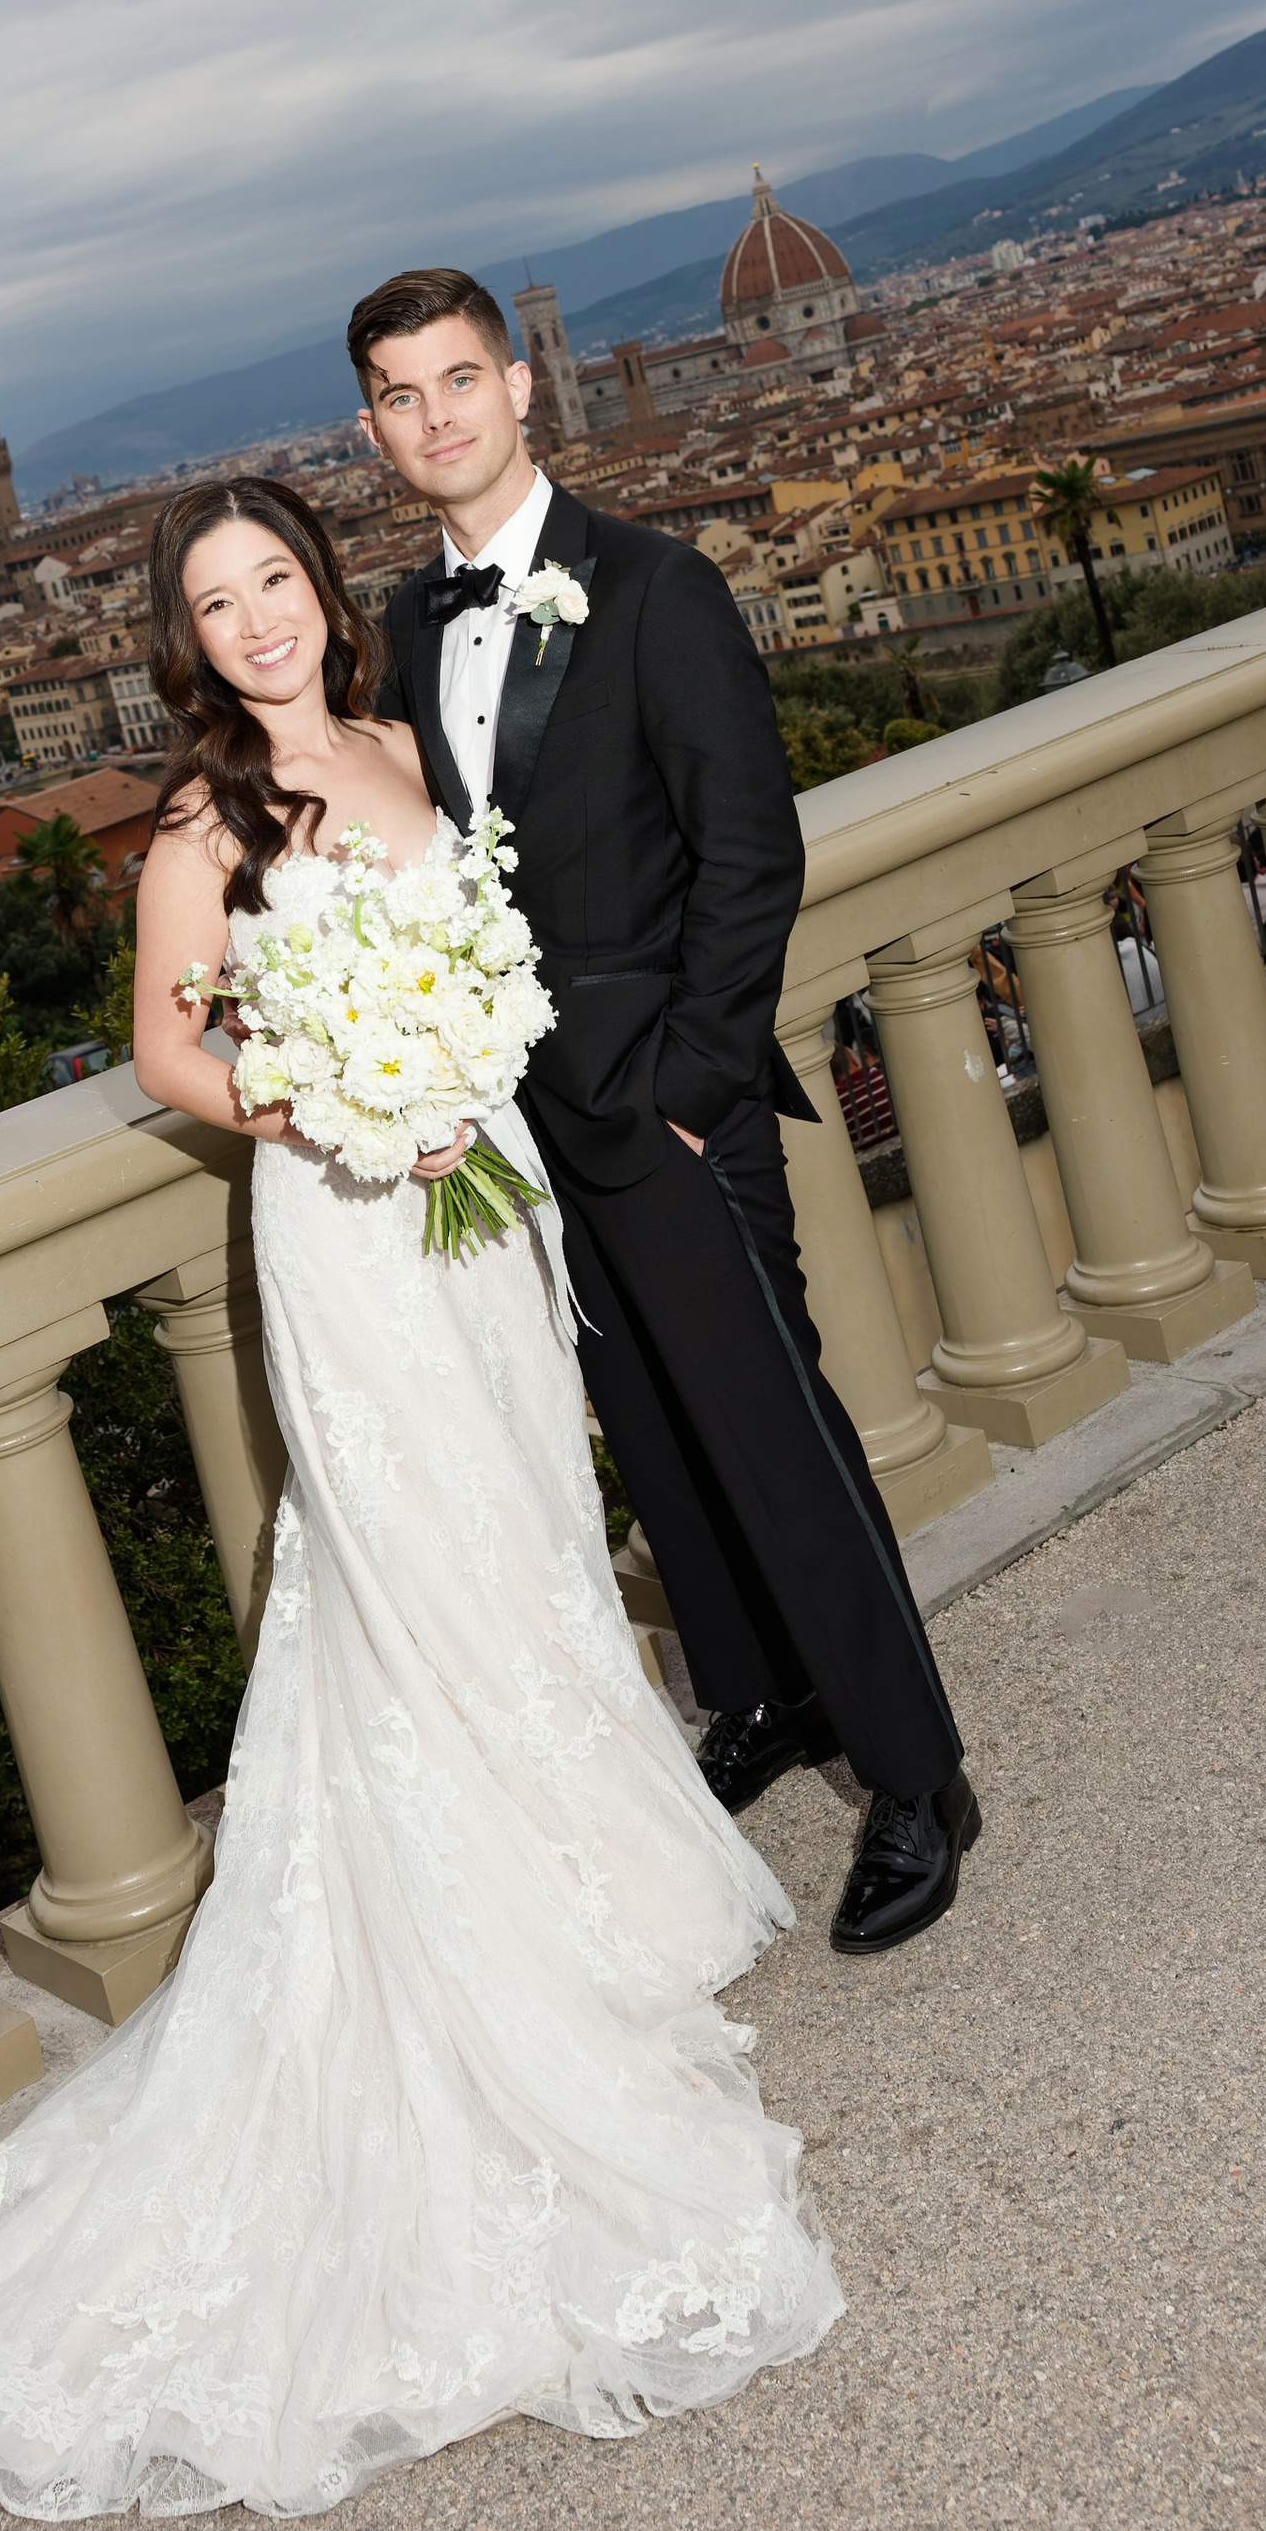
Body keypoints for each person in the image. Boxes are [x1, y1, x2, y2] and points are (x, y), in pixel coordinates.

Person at [0, 474, 841, 2522]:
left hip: (483, 1223)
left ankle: (581, 1874)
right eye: (215, 605)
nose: (256, 622)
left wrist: (442, 1064)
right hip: (349, 1229)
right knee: (407, 1571)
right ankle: (485, 1953)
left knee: (526, 1538)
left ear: (318, 591)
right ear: (186, 641)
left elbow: (499, 951)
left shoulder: (395, 753)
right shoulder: (205, 825)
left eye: (275, 581)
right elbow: (165, 1050)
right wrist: (337, 1098)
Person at [352, 265, 979, 1953]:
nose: (438, 418)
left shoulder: (655, 584)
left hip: (666, 1103)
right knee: (662, 1450)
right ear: (375, 430)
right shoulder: (410, 625)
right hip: (527, 1124)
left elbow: (750, 852)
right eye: (403, 398)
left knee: (775, 1433)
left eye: (460, 380)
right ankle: (766, 1695)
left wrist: (698, 1092)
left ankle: (920, 1779)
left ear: (522, 387)